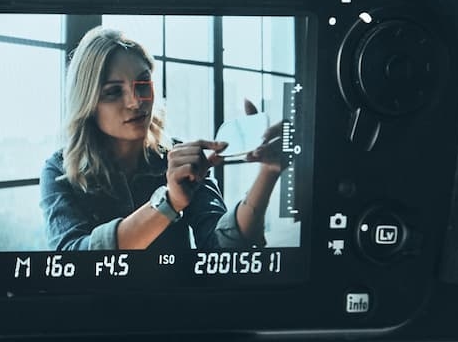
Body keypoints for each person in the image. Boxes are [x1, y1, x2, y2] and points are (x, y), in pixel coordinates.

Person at [40, 27, 285, 252]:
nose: (136, 101)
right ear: (87, 102)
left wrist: (268, 172)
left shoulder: (179, 158)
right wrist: (169, 202)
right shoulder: (59, 170)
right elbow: (73, 258)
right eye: (113, 91)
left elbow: (220, 249)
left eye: (143, 84)